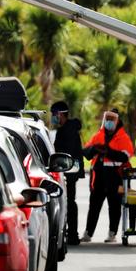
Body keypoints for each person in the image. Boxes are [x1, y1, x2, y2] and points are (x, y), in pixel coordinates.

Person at [82, 109, 134, 243]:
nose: (109, 122)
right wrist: (95, 149)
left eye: (112, 120)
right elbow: (86, 152)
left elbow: (125, 156)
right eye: (107, 119)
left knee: (115, 206)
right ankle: (88, 233)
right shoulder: (98, 135)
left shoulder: (123, 138)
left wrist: (108, 152)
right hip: (99, 176)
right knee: (94, 205)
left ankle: (112, 233)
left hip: (115, 176)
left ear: (117, 122)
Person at [50, 101, 84, 245]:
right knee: (69, 202)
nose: (52, 117)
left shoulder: (68, 130)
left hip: (69, 171)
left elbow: (66, 152)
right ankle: (71, 233)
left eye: (54, 114)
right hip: (68, 170)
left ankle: (73, 235)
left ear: (60, 114)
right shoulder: (66, 128)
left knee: (69, 202)